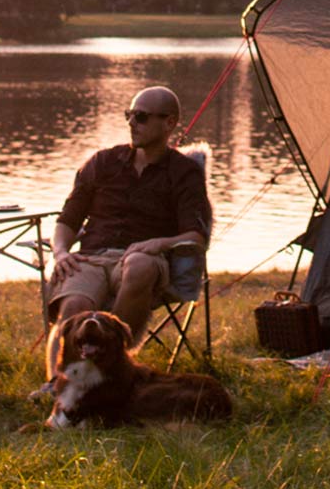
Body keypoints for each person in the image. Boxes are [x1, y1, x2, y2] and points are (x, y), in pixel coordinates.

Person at [45, 85, 211, 339]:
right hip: (92, 256)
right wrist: (61, 252)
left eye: (141, 116)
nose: (132, 123)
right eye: (129, 115)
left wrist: (158, 244)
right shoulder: (103, 162)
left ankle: (113, 357)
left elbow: (196, 238)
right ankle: (60, 376)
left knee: (139, 264)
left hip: (142, 260)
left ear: (169, 123)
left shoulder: (183, 173)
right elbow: (68, 218)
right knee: (75, 307)